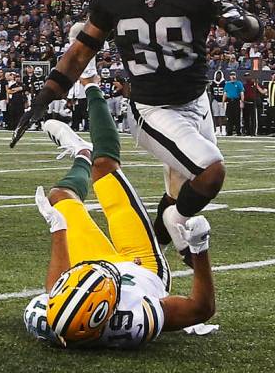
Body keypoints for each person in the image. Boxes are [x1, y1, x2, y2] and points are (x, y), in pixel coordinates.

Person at [10, 0, 260, 265]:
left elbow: (252, 29)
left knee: (180, 192)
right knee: (210, 172)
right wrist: (46, 94)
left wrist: (244, 23)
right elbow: (82, 49)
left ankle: (141, 258)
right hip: (152, 109)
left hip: (196, 101)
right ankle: (175, 224)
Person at [24, 74, 215, 348]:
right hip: (142, 265)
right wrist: (200, 249)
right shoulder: (133, 321)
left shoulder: (42, 316)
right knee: (104, 167)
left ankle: (81, 153)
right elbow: (201, 309)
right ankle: (91, 83)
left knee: (59, 196)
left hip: (92, 265)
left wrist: (58, 228)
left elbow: (56, 286)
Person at [223, 71, 244, 136]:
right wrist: (223, 102)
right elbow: (225, 93)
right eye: (231, 75)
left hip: (236, 101)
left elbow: (242, 93)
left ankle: (238, 131)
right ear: (230, 76)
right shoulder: (227, 84)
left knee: (237, 117)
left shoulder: (239, 83)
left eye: (234, 75)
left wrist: (242, 102)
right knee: (229, 117)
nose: (233, 76)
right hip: (229, 101)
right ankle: (229, 131)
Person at [209, 70, 226, 136]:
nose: (218, 76)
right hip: (215, 100)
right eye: (217, 75)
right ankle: (218, 130)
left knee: (223, 115)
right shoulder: (213, 83)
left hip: (222, 100)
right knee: (216, 116)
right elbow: (211, 92)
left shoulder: (224, 83)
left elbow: (225, 92)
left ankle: (223, 130)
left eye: (219, 75)